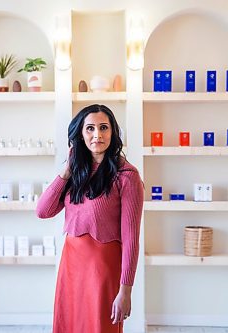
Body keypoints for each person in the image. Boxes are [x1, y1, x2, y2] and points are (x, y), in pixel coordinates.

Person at [36, 104, 144, 333]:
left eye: (104, 127)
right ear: (80, 135)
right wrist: (66, 170)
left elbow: (131, 238)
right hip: (71, 266)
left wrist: (126, 291)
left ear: (113, 132)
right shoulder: (76, 172)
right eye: (90, 128)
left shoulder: (127, 176)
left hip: (103, 270)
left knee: (99, 327)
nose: (97, 135)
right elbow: (43, 211)